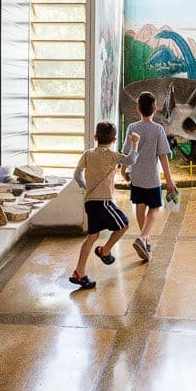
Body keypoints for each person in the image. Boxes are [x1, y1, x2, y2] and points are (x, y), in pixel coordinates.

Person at [69, 122, 140, 289]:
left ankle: (79, 272)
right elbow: (130, 159)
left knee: (92, 237)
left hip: (90, 202)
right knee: (124, 225)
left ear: (95, 137)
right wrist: (135, 142)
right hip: (104, 202)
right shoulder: (113, 156)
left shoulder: (88, 154)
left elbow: (77, 173)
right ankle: (105, 250)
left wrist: (85, 185)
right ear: (114, 139)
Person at [120, 91, 177, 262]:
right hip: (152, 177)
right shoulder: (158, 129)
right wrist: (169, 180)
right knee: (155, 208)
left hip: (136, 176)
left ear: (138, 109)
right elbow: (163, 156)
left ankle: (144, 239)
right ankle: (144, 237)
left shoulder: (132, 128)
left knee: (140, 206)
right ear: (155, 109)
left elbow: (127, 153)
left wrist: (123, 171)